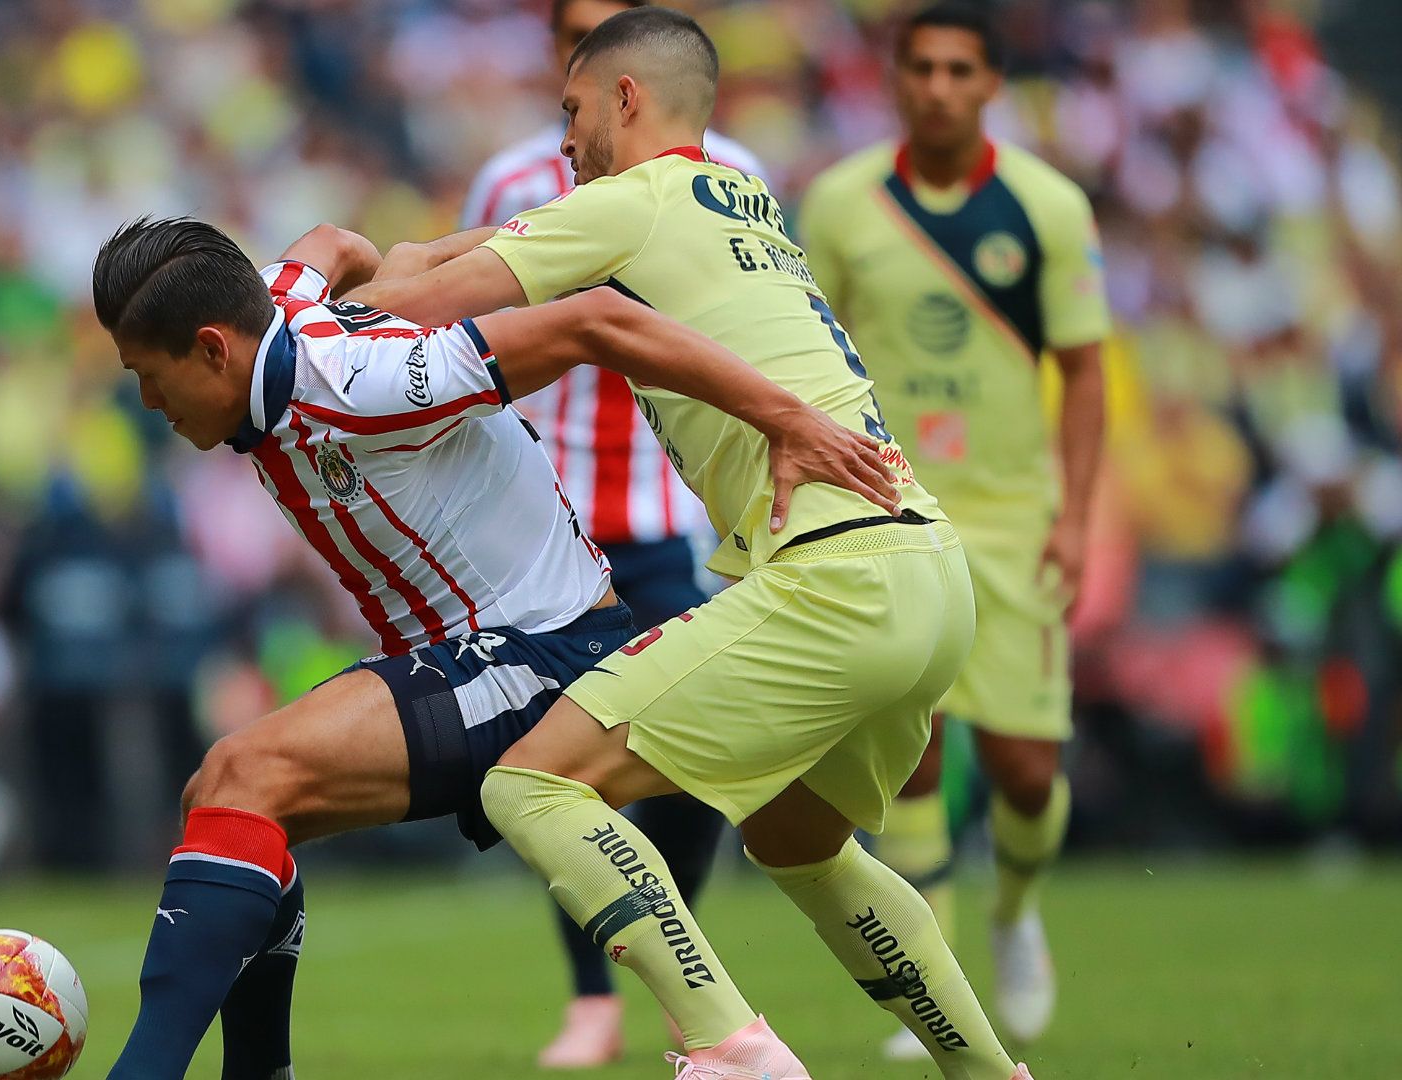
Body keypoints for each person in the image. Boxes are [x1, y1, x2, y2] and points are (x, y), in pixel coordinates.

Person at [348, 8, 1035, 1079]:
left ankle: (727, 1044)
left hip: (836, 576)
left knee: (530, 785)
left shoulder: (630, 202)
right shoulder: (739, 196)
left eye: (572, 111)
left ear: (625, 100)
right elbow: (499, 246)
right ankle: (993, 1075)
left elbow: (415, 313)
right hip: (927, 571)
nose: (563, 139)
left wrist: (327, 285)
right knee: (797, 841)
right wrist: (427, 246)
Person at [92, 216, 898, 1080]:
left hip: (543, 649)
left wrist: (788, 421)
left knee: (245, 775)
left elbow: (597, 321)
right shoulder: (276, 308)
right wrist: (384, 281)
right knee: (223, 806)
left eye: (149, 378)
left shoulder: (369, 383)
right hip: (471, 654)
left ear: (213, 349)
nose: (148, 406)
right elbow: (331, 243)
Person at [795, 2, 1110, 1058]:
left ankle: (1016, 912)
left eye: (958, 69)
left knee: (1025, 768)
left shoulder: (1048, 208)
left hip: (1018, 521)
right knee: (914, 759)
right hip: (892, 509)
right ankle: (933, 971)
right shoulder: (841, 205)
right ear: (894, 78)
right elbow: (806, 353)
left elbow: (1087, 375)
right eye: (919, 66)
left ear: (990, 85)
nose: (936, 85)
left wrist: (1076, 517)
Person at [460, 1, 760, 1063]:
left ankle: (671, 956)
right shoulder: (514, 178)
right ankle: (592, 994)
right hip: (554, 522)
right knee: (558, 759)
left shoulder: (730, 169)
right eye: (567, 28)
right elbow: (472, 341)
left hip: (670, 518)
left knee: (698, 756)